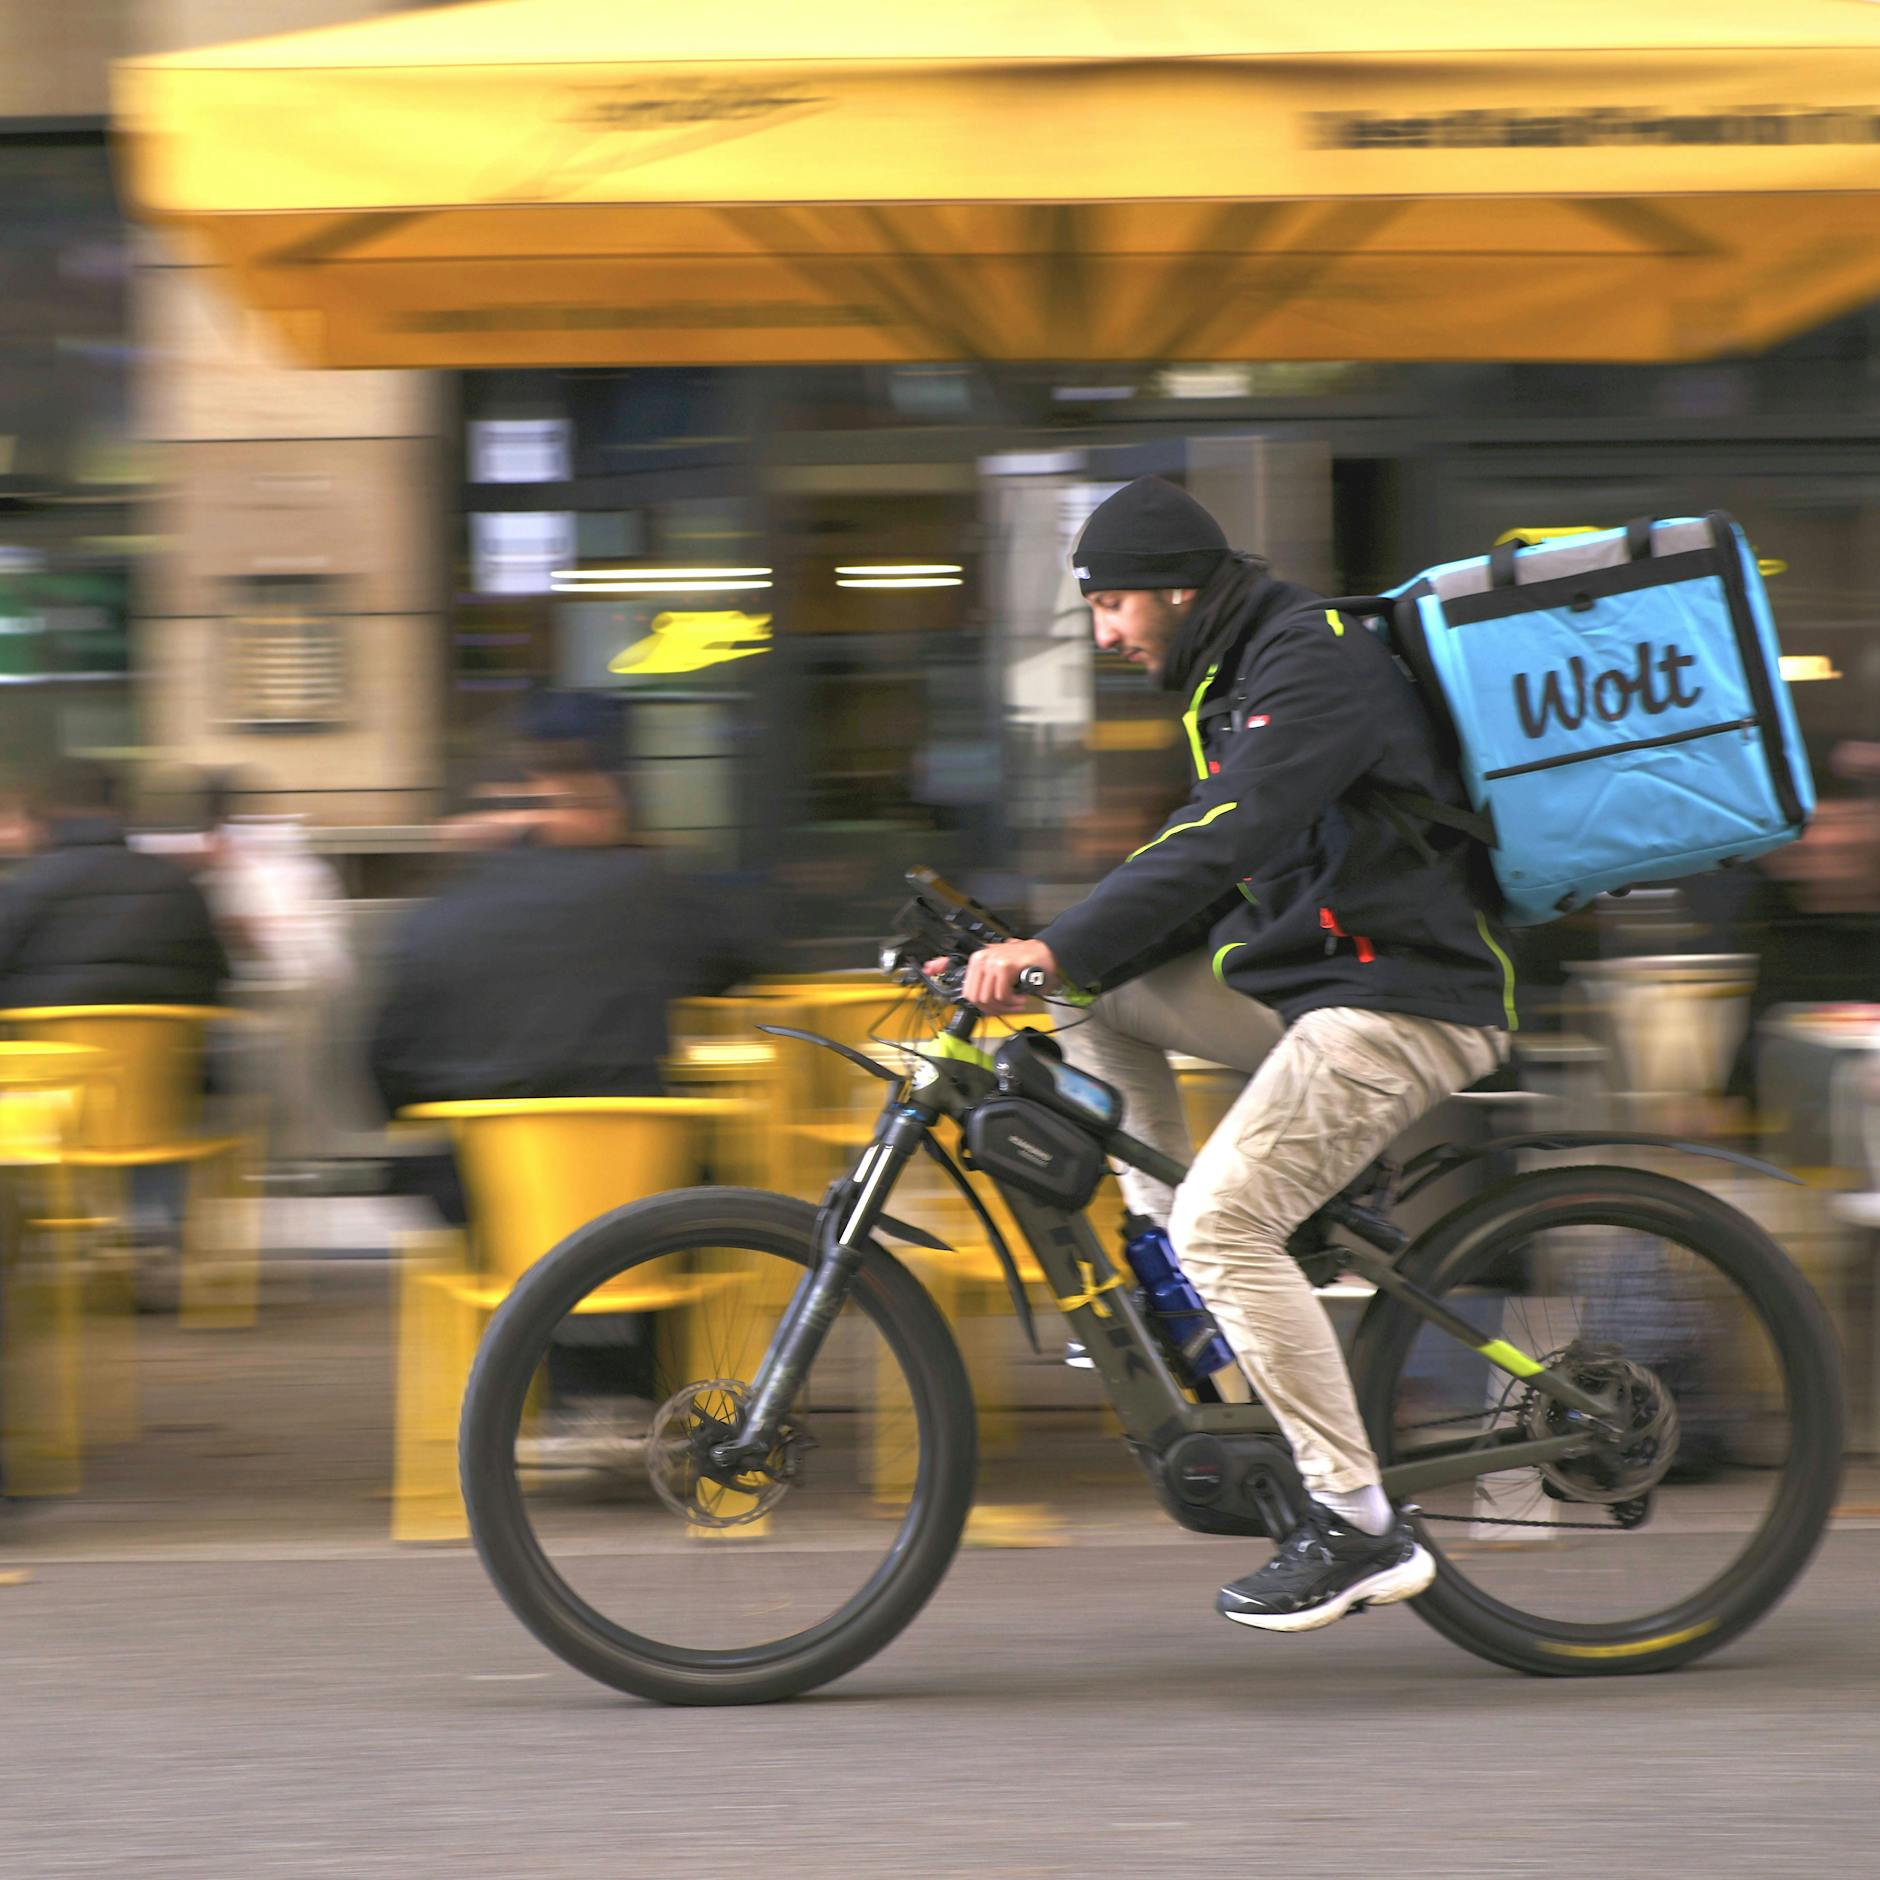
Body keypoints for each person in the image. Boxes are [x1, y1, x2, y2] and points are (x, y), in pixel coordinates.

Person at [956, 478, 1514, 1633]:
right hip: (1320, 990)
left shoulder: (1308, 660)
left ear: (1174, 584)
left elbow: (1225, 836)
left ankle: (1358, 1525)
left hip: (1404, 999)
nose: (1105, 633)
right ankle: (1191, 1281)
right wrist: (1049, 959)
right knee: (1088, 1003)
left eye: (1109, 604)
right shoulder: (1240, 669)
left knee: (1227, 1217)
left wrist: (1054, 939)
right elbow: (1203, 869)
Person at [0, 758, 228, 1009]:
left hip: (53, 1041)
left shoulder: (24, 885)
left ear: (45, 819)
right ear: (125, 812)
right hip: (164, 1042)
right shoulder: (176, 882)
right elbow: (215, 972)